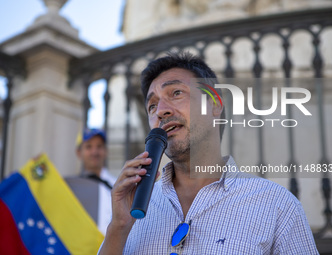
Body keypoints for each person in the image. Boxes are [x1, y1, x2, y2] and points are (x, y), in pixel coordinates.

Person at [99, 52, 318, 254]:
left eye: (176, 93)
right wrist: (117, 227)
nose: (161, 110)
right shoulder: (132, 210)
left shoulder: (276, 205)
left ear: (214, 104)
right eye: (152, 106)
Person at [65, 128, 116, 235]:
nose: (94, 152)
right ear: (79, 152)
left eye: (99, 146)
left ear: (105, 151)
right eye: (89, 146)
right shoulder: (68, 188)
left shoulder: (118, 185)